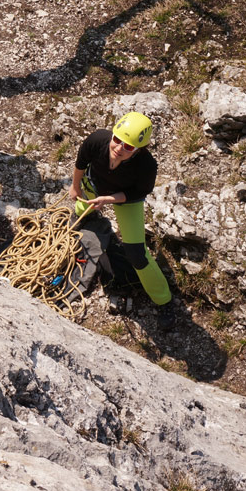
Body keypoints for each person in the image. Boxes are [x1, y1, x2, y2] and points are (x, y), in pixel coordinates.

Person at [68, 112, 175, 329]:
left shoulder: (146, 166)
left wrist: (108, 200)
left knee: (137, 254)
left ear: (138, 150)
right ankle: (82, 217)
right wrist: (76, 186)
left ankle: (164, 301)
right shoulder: (98, 140)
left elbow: (137, 194)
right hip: (94, 186)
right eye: (117, 140)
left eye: (128, 147)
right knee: (81, 209)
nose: (119, 148)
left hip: (126, 199)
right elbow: (81, 161)